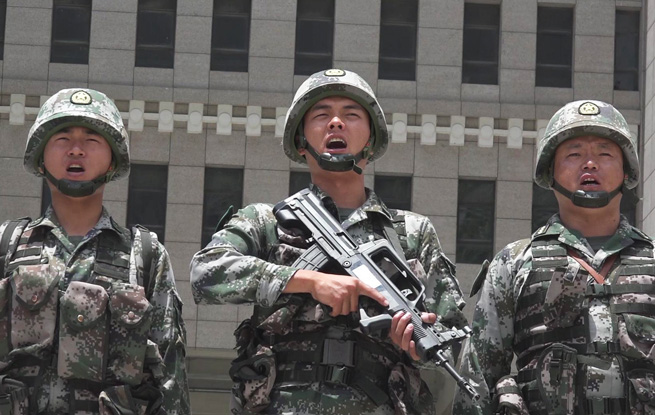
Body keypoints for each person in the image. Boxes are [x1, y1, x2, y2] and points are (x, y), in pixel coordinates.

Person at [190, 69, 468, 414]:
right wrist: (309, 281)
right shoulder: (267, 222)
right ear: (301, 141)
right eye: (322, 115)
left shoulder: (411, 232)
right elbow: (206, 272)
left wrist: (415, 344)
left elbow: (454, 341)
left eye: (351, 114)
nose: (336, 122)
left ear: (371, 140)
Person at [454, 100, 655, 415]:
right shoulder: (514, 263)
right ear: (550, 172)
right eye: (574, 154)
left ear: (627, 170)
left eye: (605, 154)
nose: (590, 164)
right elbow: (477, 380)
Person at [0, 88, 190, 414]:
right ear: (41, 158)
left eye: (91, 140)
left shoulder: (144, 256)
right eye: (62, 138)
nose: (76, 150)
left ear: (112, 160)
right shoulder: (8, 244)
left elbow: (169, 378)